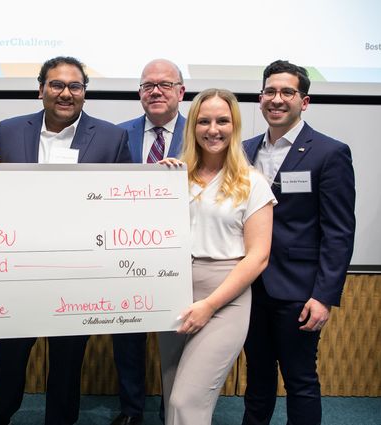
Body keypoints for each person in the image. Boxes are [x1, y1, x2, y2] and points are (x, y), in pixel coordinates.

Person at [0, 56, 132, 425]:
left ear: (84, 93)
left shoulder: (112, 137)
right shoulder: (10, 130)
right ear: (41, 89)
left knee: (67, 358)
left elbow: (125, 200)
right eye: (56, 85)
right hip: (19, 267)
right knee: (10, 353)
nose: (66, 93)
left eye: (75, 86)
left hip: (77, 270)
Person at [241, 60, 356, 425]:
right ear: (260, 99)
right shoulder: (243, 151)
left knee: (300, 380)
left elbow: (339, 232)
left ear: (303, 101)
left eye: (287, 92)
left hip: (298, 291)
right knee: (256, 377)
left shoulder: (329, 152)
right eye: (270, 92)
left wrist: (324, 297)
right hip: (248, 286)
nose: (277, 99)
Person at [157, 88, 276, 425]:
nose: (213, 129)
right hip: (174, 291)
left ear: (234, 126)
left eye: (223, 121)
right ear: (192, 126)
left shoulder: (252, 183)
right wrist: (154, 183)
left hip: (225, 296)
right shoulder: (174, 177)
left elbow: (258, 257)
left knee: (187, 399)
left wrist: (209, 305)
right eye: (204, 121)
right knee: (172, 396)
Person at [112, 58, 186, 425]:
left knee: (178, 338)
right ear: (139, 93)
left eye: (165, 84)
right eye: (147, 85)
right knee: (127, 338)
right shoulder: (116, 134)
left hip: (185, 257)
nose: (155, 91)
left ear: (181, 92)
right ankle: (131, 410)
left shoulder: (204, 132)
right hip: (126, 254)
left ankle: (172, 410)